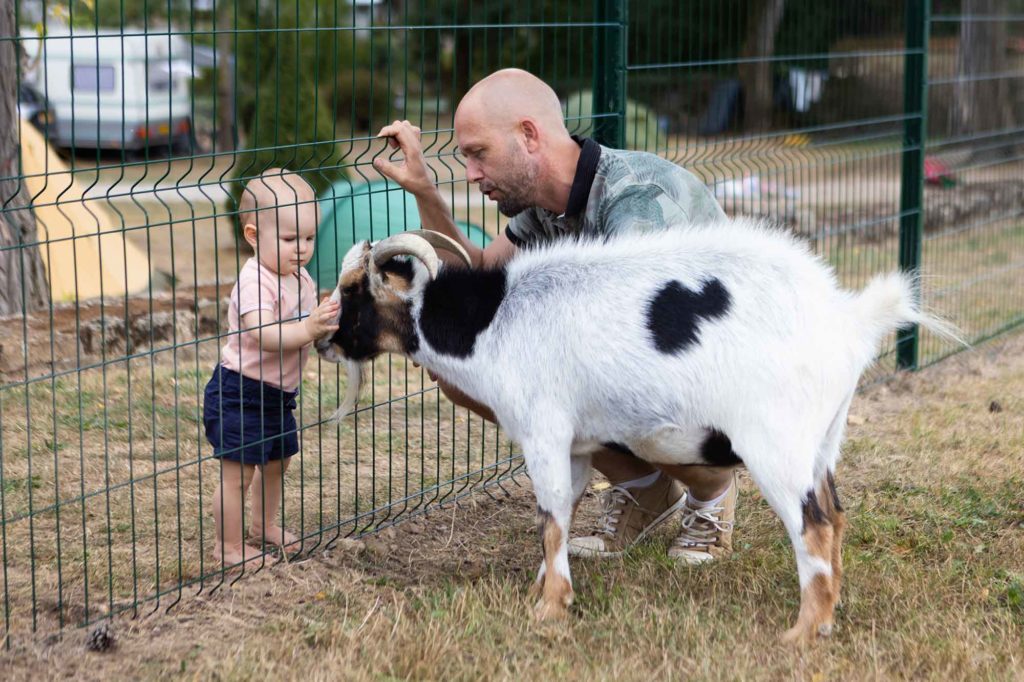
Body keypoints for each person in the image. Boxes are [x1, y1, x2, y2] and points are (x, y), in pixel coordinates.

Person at [373, 69, 738, 564]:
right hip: (647, 364)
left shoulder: (637, 202)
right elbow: (478, 274)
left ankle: (712, 491)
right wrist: (424, 191)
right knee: (460, 373)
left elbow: (638, 344)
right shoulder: (545, 206)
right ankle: (645, 487)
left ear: (528, 135)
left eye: (479, 153)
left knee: (571, 377)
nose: (472, 174)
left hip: (718, 374)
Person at [203, 168, 340, 568]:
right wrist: (307, 326)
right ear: (252, 236)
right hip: (239, 391)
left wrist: (325, 324)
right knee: (238, 474)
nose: (301, 249)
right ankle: (226, 547)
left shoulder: (302, 279)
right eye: (289, 239)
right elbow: (265, 334)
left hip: (278, 395)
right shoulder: (253, 280)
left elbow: (305, 330)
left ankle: (262, 525)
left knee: (277, 462)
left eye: (309, 238)